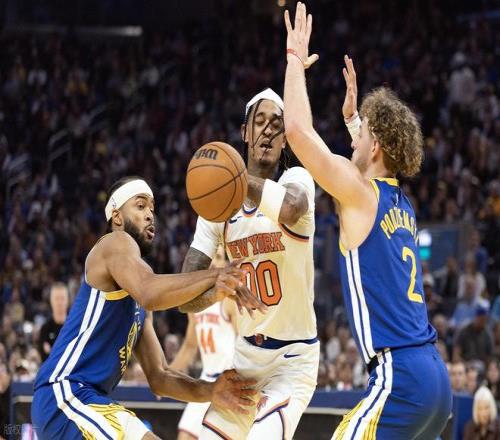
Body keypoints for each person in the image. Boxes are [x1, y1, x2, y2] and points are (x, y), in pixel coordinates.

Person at [283, 3, 452, 438]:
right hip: (435, 378)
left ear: (374, 145)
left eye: (359, 135)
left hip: (399, 377)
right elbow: (369, 166)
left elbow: (297, 132)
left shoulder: (360, 195)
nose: (352, 140)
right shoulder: (402, 204)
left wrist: (294, 60)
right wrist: (354, 120)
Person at [31, 176, 261, 440]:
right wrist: (214, 275)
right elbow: (150, 291)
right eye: (140, 206)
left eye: (152, 208)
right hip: (65, 394)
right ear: (117, 216)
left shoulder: (138, 299)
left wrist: (211, 391)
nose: (150, 215)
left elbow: (160, 376)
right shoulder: (114, 242)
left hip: (88, 400)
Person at [179, 88, 319, 439]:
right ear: (245, 132)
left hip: (292, 360)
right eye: (260, 121)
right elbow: (184, 296)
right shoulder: (218, 207)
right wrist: (217, 288)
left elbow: (290, 208)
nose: (268, 130)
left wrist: (233, 180)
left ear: (285, 140)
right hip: (245, 360)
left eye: (277, 124)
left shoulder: (297, 180)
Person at [172, 247, 238, 440]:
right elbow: (190, 347)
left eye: (218, 257)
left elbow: (244, 342)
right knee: (185, 435)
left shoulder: (229, 301)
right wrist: (167, 373)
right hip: (206, 381)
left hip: (229, 381)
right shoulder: (194, 305)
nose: (214, 262)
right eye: (211, 257)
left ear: (225, 264)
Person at [38, 282, 69, 362]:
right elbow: (44, 360)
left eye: (62, 298)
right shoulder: (45, 329)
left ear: (67, 300)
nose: (59, 303)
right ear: (51, 301)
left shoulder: (75, 327)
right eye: (56, 298)